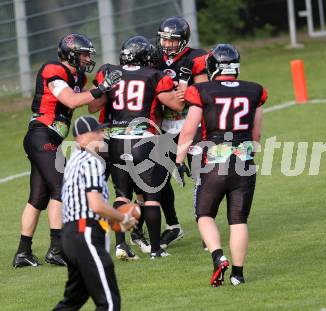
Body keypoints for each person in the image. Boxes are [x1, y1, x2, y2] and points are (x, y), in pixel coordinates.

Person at [12, 33, 121, 268]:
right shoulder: (53, 69)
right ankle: (56, 249)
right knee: (61, 187)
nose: (86, 58)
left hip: (50, 138)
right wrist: (101, 87)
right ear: (70, 54)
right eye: (83, 54)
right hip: (41, 134)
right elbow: (70, 101)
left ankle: (23, 252)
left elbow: (90, 106)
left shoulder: (77, 76)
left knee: (38, 198)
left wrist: (108, 90)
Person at [175, 44, 267, 286]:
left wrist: (179, 159)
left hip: (214, 162)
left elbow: (188, 131)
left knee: (204, 215)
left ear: (213, 67)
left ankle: (218, 256)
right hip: (244, 162)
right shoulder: (254, 90)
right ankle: (238, 274)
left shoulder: (201, 90)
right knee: (238, 220)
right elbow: (256, 134)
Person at [89, 35, 185, 260]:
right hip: (143, 140)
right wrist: (181, 91)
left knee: (122, 196)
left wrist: (106, 89)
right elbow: (175, 105)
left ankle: (121, 245)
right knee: (151, 196)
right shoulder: (154, 75)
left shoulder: (109, 72)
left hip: (115, 141)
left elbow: (93, 107)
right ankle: (155, 249)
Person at [53, 115, 137, 311]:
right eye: (97, 132)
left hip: (72, 235)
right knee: (109, 302)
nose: (102, 135)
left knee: (72, 301)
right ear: (82, 137)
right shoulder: (90, 161)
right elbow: (96, 205)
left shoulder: (74, 159)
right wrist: (123, 218)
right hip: (85, 233)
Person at [151, 16, 209, 250]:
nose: (166, 44)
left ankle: (206, 226)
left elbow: (202, 91)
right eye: (164, 38)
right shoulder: (153, 58)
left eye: (172, 40)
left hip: (191, 124)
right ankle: (173, 226)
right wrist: (179, 88)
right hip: (164, 125)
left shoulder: (196, 57)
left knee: (199, 177)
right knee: (157, 179)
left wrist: (183, 89)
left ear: (183, 40)